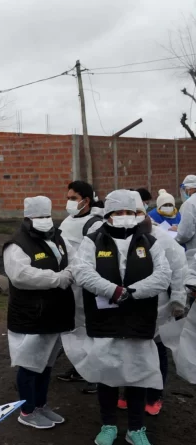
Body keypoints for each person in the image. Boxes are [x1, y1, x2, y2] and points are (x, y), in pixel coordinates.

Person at [66, 190, 169, 445]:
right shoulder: (93, 241)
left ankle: (136, 429)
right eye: (118, 213)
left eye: (130, 212)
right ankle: (108, 425)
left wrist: (132, 293)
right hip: (106, 322)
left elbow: (163, 275)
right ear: (108, 215)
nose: (125, 217)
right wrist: (113, 291)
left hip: (139, 320)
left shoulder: (149, 241)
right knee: (108, 376)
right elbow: (82, 272)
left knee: (137, 376)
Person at [3, 196, 75, 430]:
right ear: (27, 217)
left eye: (47, 216)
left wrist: (69, 273)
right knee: (29, 364)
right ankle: (26, 410)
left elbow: (75, 260)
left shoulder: (57, 237)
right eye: (39, 217)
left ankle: (41, 405)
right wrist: (57, 279)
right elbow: (21, 275)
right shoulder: (17, 244)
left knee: (46, 363)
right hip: (30, 315)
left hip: (55, 312)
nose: (44, 221)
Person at [130, 191, 187, 416]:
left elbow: (179, 269)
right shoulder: (119, 238)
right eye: (125, 212)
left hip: (158, 307)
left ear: (145, 213)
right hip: (129, 306)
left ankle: (154, 395)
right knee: (130, 351)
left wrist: (177, 300)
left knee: (156, 350)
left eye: (136, 212)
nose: (132, 217)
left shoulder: (162, 238)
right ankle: (129, 392)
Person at [56, 181, 101, 392]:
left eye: (73, 198)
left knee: (89, 330)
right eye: (68, 198)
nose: (69, 202)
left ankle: (96, 375)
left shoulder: (95, 223)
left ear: (86, 200)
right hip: (68, 285)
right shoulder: (67, 221)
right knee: (73, 329)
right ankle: (80, 367)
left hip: (85, 287)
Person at [176, 175, 196, 249]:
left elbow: (185, 233)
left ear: (189, 189)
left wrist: (174, 239)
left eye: (185, 189)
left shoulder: (190, 203)